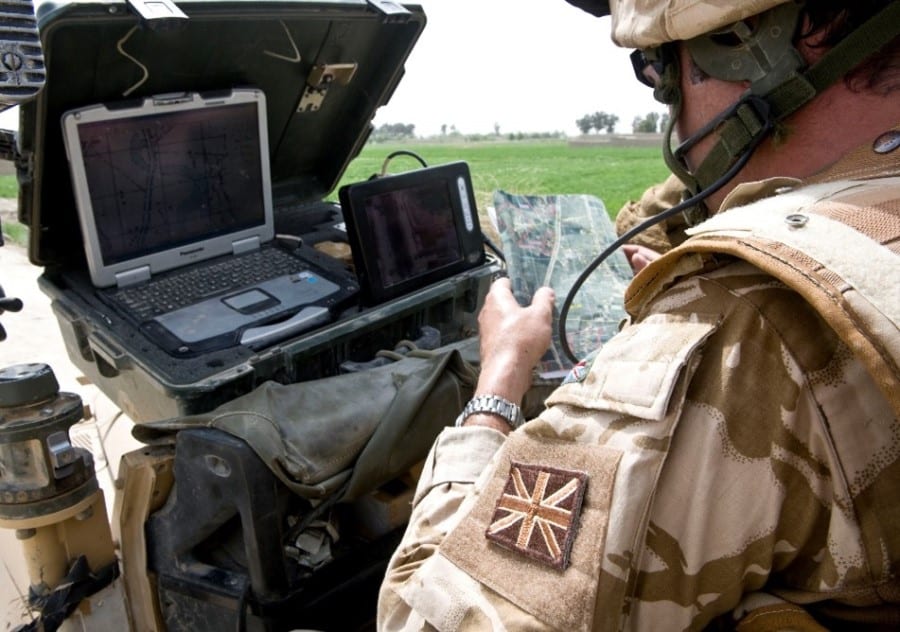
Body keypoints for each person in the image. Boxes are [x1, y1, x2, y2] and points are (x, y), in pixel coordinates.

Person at [378, 0, 900, 629]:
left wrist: (498, 383)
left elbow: (427, 620)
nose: (674, 120)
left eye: (660, 71)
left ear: (744, 46)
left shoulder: (745, 314)